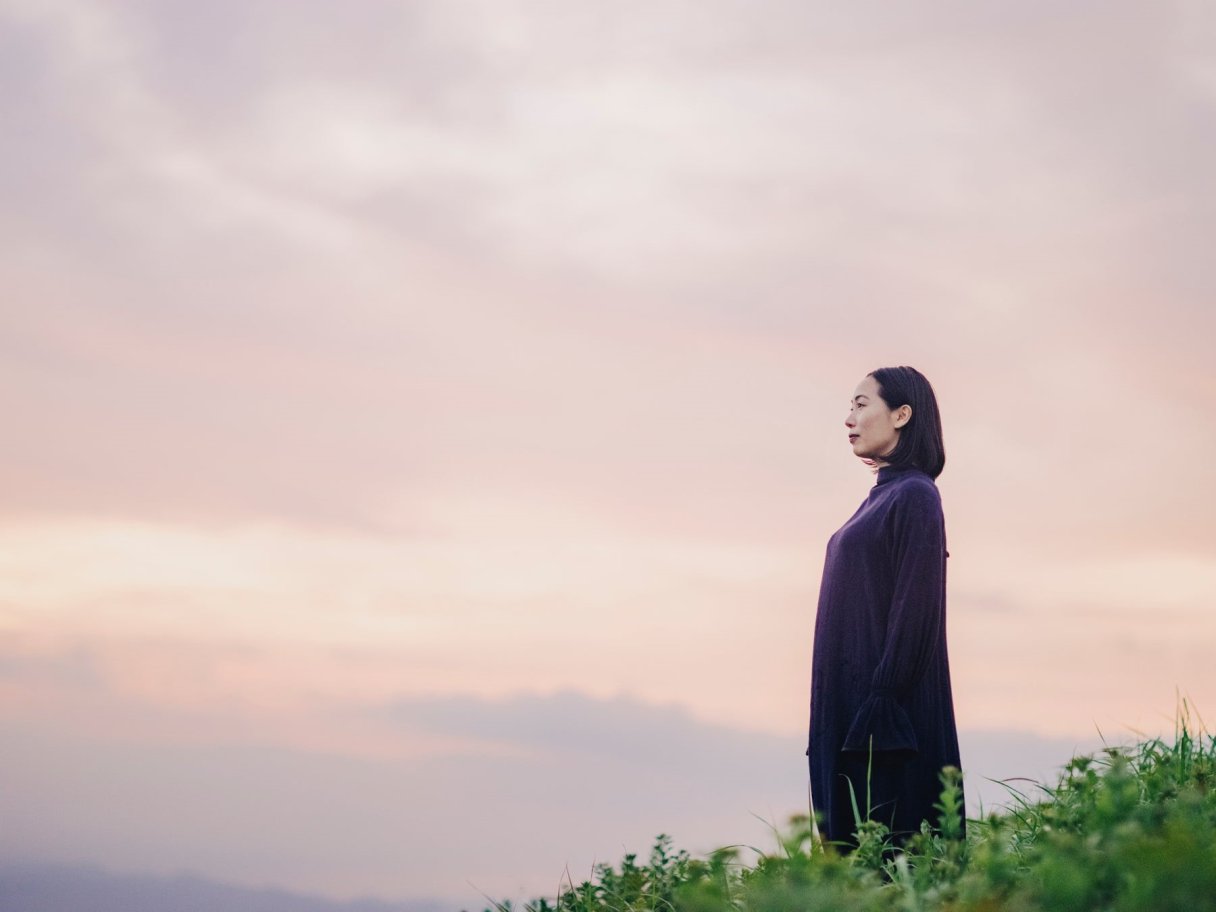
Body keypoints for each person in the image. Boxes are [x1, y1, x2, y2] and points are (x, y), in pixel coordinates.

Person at [806, 365, 964, 848]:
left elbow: (916, 609)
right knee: (845, 866)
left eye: (860, 404)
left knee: (890, 859)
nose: (849, 418)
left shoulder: (915, 496)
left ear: (901, 414)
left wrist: (880, 702)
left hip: (882, 720)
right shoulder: (878, 500)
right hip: (848, 708)